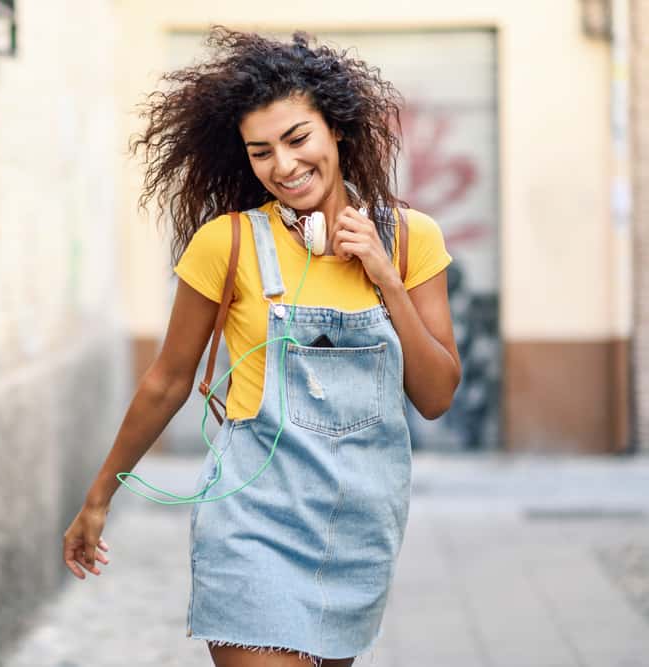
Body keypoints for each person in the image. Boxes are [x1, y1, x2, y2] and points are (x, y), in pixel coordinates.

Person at [62, 27, 461, 667]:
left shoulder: (413, 240)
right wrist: (99, 496)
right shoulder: (228, 244)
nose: (282, 165)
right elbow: (167, 381)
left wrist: (386, 278)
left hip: (358, 533)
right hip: (251, 524)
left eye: (298, 139)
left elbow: (437, 395)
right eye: (261, 151)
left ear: (338, 132)